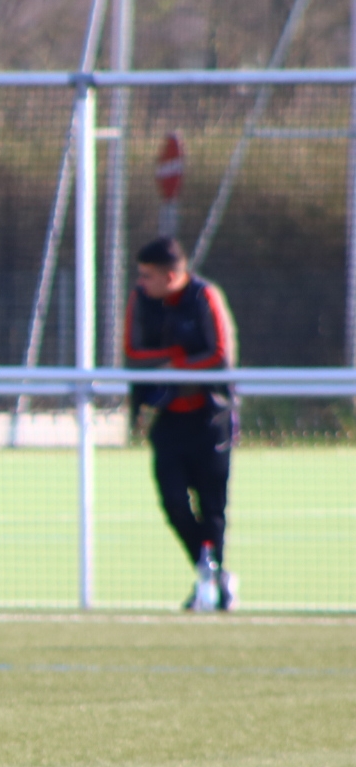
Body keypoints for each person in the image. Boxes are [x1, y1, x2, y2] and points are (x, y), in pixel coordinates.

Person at [124, 236, 239, 611]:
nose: (141, 282)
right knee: (173, 502)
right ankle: (213, 576)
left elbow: (221, 354)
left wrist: (180, 367)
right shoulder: (140, 300)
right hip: (168, 422)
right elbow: (132, 353)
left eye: (148, 276)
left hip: (210, 420)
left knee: (213, 508)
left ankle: (212, 583)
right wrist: (172, 357)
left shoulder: (205, 296)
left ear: (171, 275)